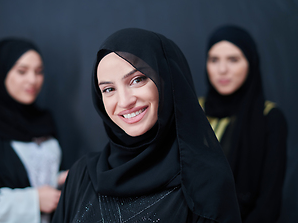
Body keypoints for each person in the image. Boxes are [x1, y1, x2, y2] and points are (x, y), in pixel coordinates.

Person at [52, 28, 241, 223]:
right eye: (108, 89)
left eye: (137, 80)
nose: (124, 101)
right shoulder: (81, 175)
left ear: (166, 80)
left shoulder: (206, 181)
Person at [0, 38, 67, 223]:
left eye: (39, 72)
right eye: (22, 71)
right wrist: (33, 200)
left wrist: (63, 179)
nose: (33, 80)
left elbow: (35, 174)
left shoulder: (44, 122)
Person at [199, 25, 287, 222]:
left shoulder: (270, 117)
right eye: (214, 60)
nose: (222, 70)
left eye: (233, 59)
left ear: (251, 62)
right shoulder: (194, 110)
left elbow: (269, 203)